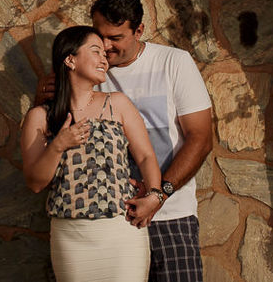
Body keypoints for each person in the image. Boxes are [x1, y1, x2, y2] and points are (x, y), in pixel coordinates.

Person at [38, 0, 214, 282]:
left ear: (139, 30)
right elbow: (50, 130)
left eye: (115, 38)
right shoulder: (86, 71)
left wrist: (159, 196)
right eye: (99, 36)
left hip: (169, 214)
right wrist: (41, 97)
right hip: (110, 223)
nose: (105, 47)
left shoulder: (174, 63)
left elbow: (201, 139)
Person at [21, 25, 166, 282]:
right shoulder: (40, 117)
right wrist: (58, 145)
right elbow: (34, 183)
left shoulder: (117, 103)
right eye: (96, 51)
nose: (104, 58)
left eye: (104, 54)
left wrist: (155, 196)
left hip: (122, 232)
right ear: (70, 59)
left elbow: (145, 156)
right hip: (71, 236)